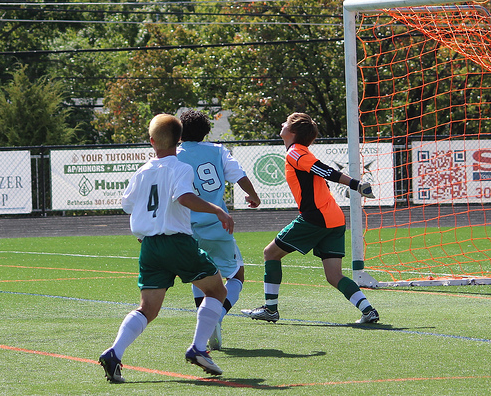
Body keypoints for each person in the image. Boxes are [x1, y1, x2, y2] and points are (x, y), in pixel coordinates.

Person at [99, 114, 234, 382]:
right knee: (217, 290)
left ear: (152, 141)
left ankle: (114, 353)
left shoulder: (141, 171)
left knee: (147, 309)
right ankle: (198, 348)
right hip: (177, 242)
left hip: (149, 246)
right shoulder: (180, 167)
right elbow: (183, 197)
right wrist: (217, 209)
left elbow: (128, 205)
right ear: (179, 139)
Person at [241, 112, 379, 324]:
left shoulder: (295, 152)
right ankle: (368, 310)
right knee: (334, 276)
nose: (282, 123)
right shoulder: (301, 152)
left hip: (317, 217)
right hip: (334, 218)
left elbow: (324, 170)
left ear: (293, 132)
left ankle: (270, 309)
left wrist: (355, 184)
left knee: (270, 253)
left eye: (286, 122)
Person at [177, 109, 261, 350]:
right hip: (218, 223)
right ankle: (217, 316)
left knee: (199, 275)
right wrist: (253, 195)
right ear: (206, 132)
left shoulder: (174, 155)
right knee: (236, 275)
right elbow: (239, 175)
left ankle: (206, 325)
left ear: (180, 133)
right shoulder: (217, 151)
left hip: (187, 228)